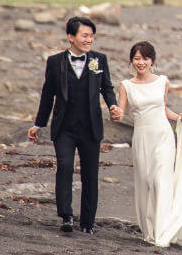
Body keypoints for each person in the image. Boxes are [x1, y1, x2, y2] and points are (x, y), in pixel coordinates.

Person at [28, 16, 119, 235]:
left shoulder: (100, 59)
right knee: (65, 166)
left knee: (90, 174)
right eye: (85, 35)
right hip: (64, 127)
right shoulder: (54, 61)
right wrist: (39, 124)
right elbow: (47, 95)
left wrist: (113, 105)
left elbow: (106, 87)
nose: (89, 40)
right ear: (71, 37)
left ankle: (88, 222)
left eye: (92, 36)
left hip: (90, 127)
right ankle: (66, 215)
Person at [112, 41, 182, 247]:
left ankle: (163, 231)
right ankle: (150, 231)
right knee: (145, 183)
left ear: (152, 61)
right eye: (137, 59)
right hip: (143, 138)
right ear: (131, 61)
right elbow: (119, 113)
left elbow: (163, 109)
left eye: (145, 58)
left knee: (161, 180)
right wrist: (114, 113)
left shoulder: (163, 81)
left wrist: (180, 117)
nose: (141, 62)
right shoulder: (126, 86)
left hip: (163, 136)